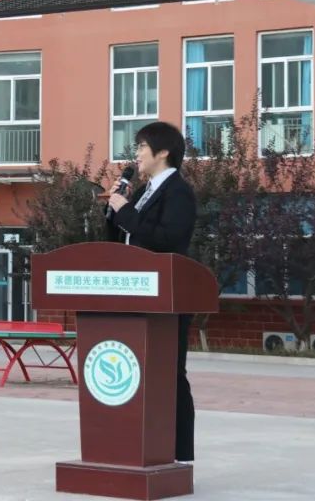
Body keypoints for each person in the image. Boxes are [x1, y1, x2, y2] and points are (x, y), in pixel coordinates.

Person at [106, 121, 197, 463]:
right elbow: (125, 237)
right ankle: (142, 446)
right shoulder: (144, 191)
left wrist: (126, 211)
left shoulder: (178, 192)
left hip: (166, 295)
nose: (137, 154)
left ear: (163, 152)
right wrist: (114, 210)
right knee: (139, 374)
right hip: (135, 292)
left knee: (170, 374)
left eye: (142, 147)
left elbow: (166, 239)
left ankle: (180, 453)